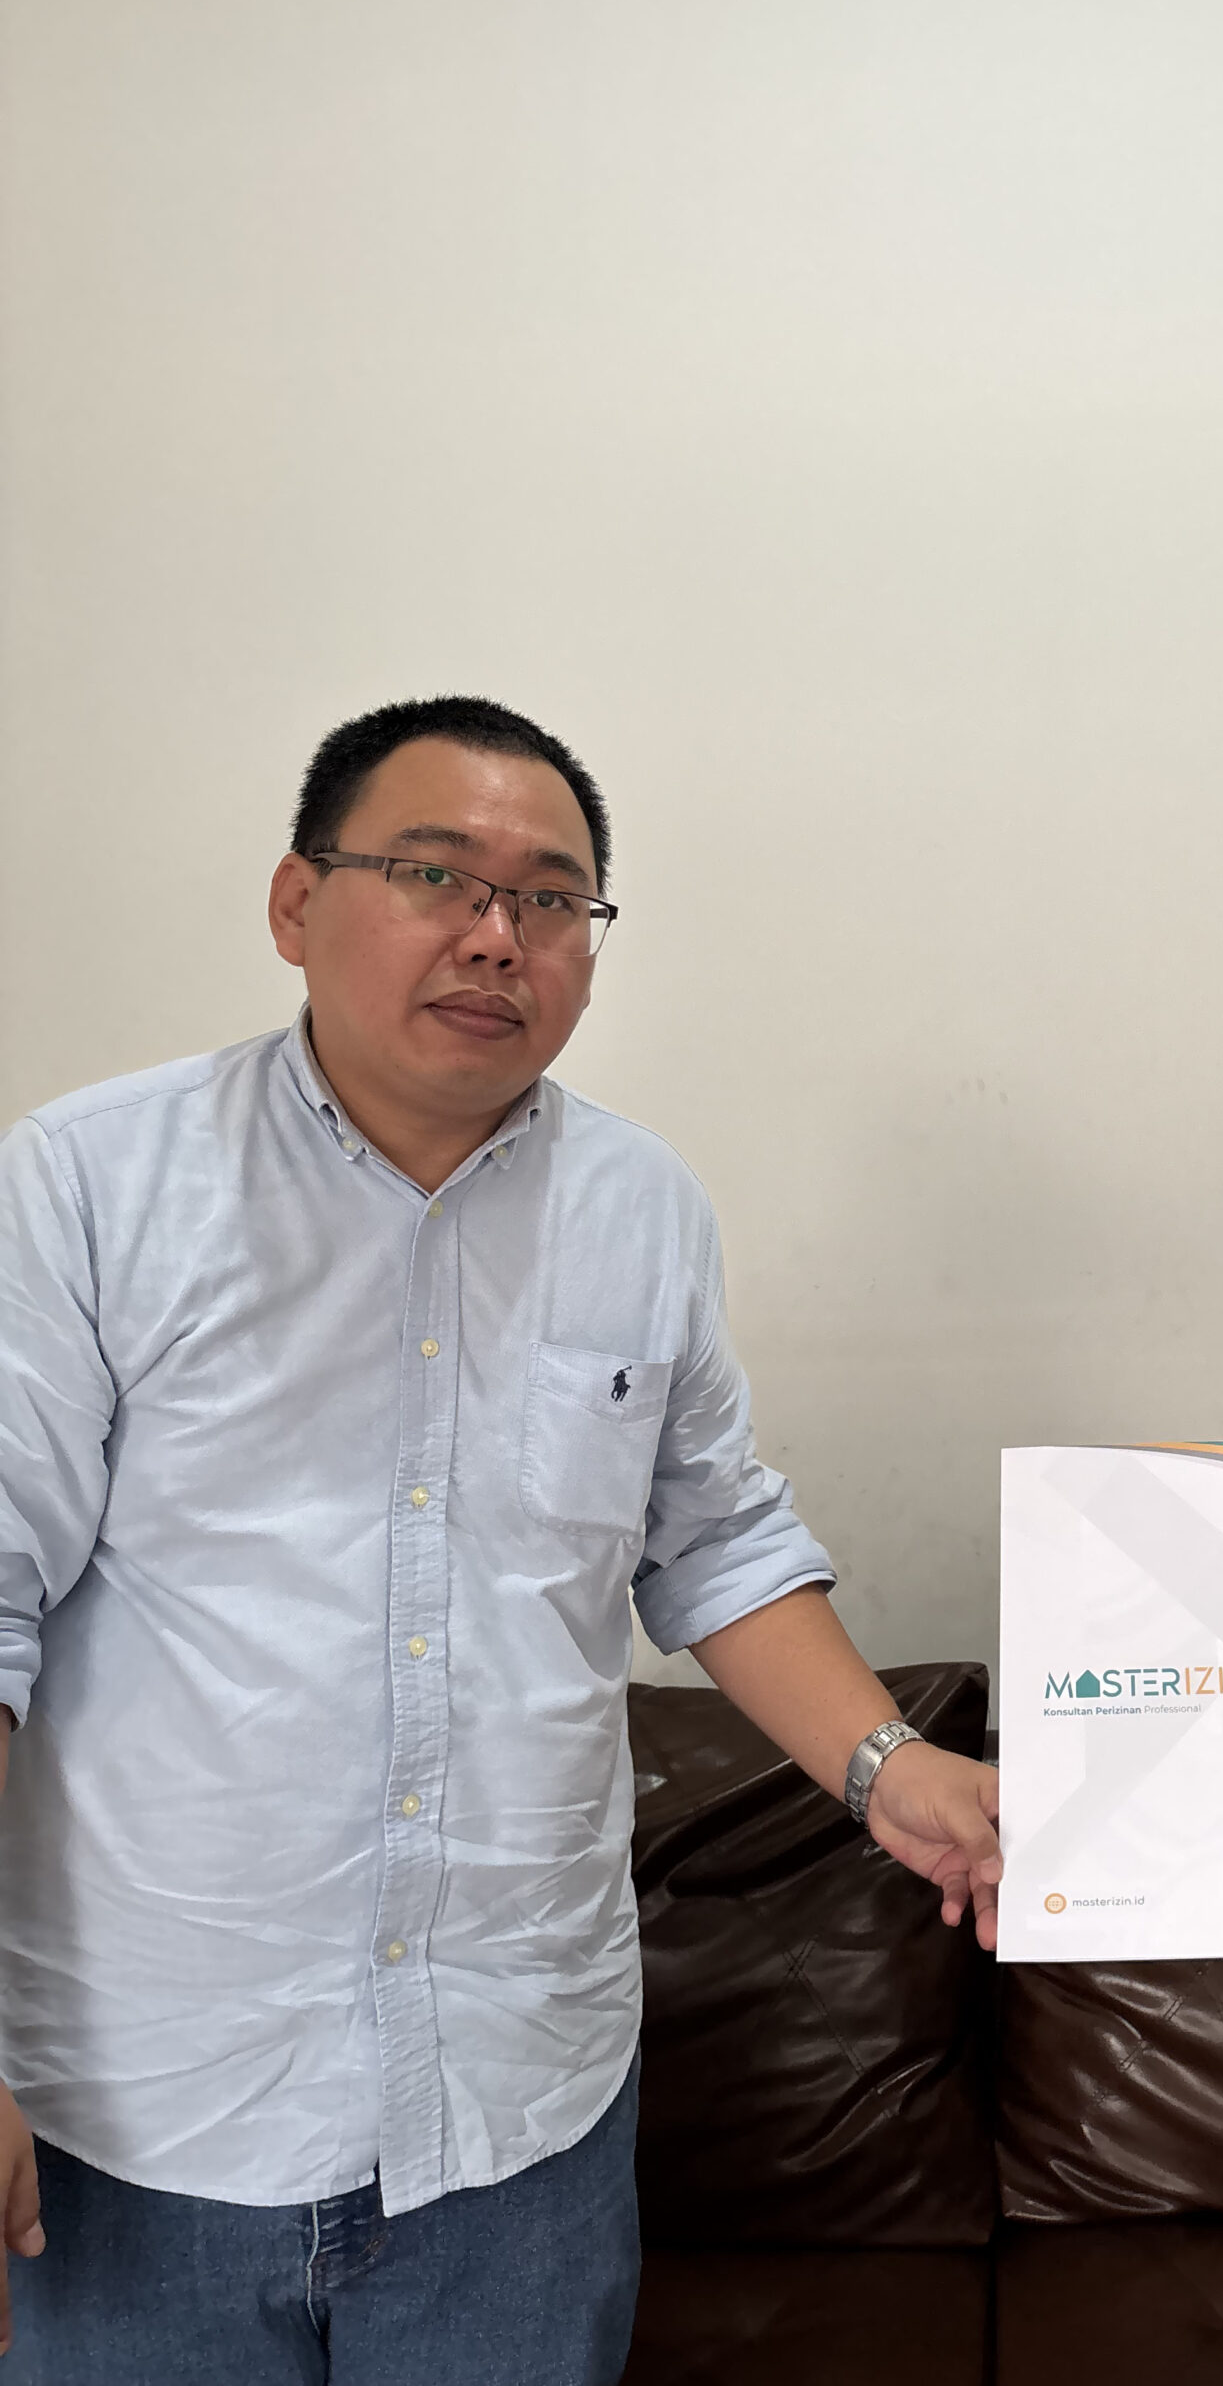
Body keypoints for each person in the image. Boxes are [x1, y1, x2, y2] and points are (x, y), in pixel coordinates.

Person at [0, 696, 1003, 2384]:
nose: (495, 935)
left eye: (550, 898)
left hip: (515, 2115)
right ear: (297, 904)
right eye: (435, 875)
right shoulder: (89, 1187)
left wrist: (890, 1767)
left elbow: (714, 1540)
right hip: (146, 2110)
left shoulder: (640, 1207)